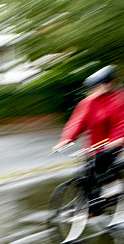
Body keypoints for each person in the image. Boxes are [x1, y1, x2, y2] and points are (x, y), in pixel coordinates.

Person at [53, 65, 124, 196]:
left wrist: (115, 141)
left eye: (105, 84)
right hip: (93, 146)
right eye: (94, 88)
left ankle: (112, 186)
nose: (95, 90)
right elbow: (77, 122)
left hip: (111, 144)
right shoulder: (87, 103)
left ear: (109, 84)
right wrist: (66, 140)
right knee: (87, 175)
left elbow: (121, 123)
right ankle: (91, 207)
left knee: (103, 161)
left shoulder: (118, 100)